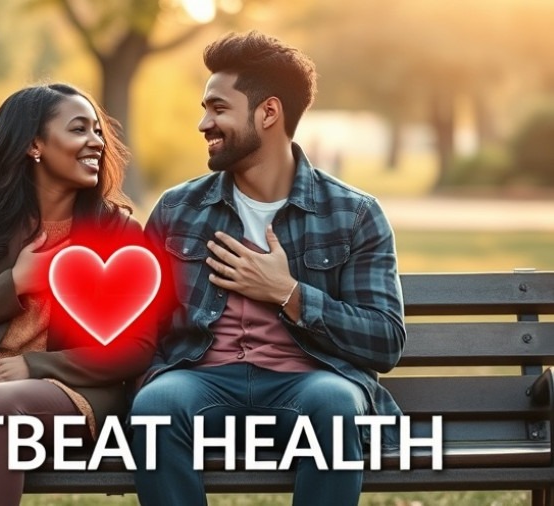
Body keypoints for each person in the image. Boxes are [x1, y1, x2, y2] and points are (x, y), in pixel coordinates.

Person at [130, 31, 406, 506]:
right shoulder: (178, 208)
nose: (203, 123)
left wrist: (289, 293)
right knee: (156, 405)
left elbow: (384, 341)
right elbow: (142, 327)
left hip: (308, 382)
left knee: (337, 405)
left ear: (269, 112)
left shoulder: (353, 213)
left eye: (218, 109)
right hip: (200, 378)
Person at [0, 83, 156, 506]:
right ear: (34, 145)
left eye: (97, 131)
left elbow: (137, 348)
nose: (96, 142)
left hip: (68, 389)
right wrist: (14, 283)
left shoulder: (119, 232)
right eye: (79, 130)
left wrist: (33, 366)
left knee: (1, 409)